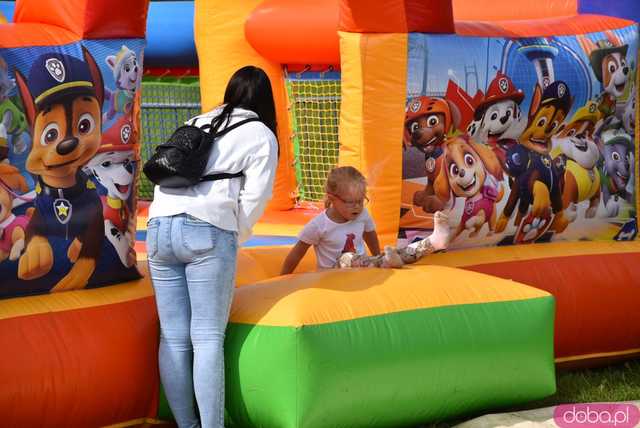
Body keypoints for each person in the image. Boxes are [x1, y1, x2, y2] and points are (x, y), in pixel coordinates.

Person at [146, 66, 279, 428]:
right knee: (206, 339)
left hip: (158, 228)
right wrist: (234, 232)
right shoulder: (259, 134)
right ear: (266, 99)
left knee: (172, 337)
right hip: (206, 230)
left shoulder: (199, 119)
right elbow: (256, 197)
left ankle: (186, 424)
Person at [280, 166, 450, 275]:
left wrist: (377, 255)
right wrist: (284, 278)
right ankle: (383, 261)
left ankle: (433, 242)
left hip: (363, 266)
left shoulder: (362, 215)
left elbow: (370, 235)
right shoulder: (318, 225)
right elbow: (297, 253)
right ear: (332, 199)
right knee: (346, 257)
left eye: (360, 201)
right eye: (350, 202)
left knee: (397, 253)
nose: (356, 207)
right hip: (332, 274)